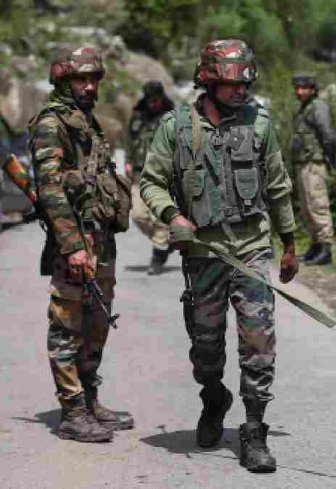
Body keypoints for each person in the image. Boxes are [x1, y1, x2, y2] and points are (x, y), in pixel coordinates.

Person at [139, 39, 298, 473]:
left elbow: (279, 186)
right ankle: (213, 397)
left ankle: (254, 429)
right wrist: (173, 215)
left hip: (250, 249)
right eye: (231, 84)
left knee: (258, 343)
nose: (241, 91)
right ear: (207, 81)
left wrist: (289, 245)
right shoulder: (175, 127)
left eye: (246, 83)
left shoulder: (261, 124)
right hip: (204, 253)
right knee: (206, 347)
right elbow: (150, 182)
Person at [28, 46, 134, 442]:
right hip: (75, 239)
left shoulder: (85, 120)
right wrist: (72, 245)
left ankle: (90, 399)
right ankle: (72, 410)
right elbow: (51, 189)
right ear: (62, 80)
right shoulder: (51, 124)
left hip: (100, 237)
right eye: (81, 80)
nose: (89, 86)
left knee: (97, 321)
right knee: (68, 323)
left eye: (94, 80)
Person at [127, 80, 174, 275]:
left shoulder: (172, 119)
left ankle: (158, 255)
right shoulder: (137, 117)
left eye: (156, 100)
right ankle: (163, 240)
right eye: (149, 100)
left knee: (160, 219)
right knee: (138, 215)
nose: (153, 104)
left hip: (163, 175)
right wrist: (128, 161)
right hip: (139, 174)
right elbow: (129, 141)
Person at [290, 74, 336, 265]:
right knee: (307, 208)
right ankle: (316, 246)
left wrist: (331, 157)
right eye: (297, 88)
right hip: (303, 163)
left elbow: (328, 134)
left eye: (304, 88)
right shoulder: (305, 108)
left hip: (314, 164)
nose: (300, 92)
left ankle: (325, 249)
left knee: (318, 206)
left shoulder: (318, 106)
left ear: (313, 89)